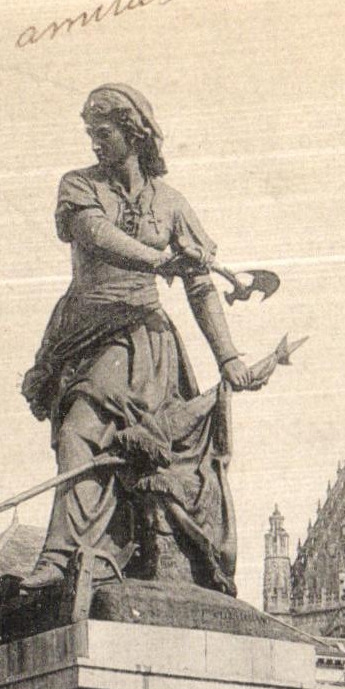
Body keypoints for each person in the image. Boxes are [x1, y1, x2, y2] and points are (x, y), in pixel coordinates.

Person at [20, 85, 260, 593]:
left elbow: (200, 286)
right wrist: (159, 260)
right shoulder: (78, 187)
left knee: (96, 437)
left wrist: (229, 356)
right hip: (83, 332)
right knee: (79, 434)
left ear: (133, 133)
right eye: (90, 134)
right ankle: (71, 557)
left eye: (102, 134)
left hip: (142, 342)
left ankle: (68, 557)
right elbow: (97, 237)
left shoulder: (172, 205)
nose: (94, 144)